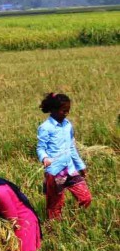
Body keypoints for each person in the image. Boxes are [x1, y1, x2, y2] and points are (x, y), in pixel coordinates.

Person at [37, 92, 91, 220]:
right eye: (63, 111)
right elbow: (41, 147)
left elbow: (72, 147)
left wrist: (80, 165)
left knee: (85, 198)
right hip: (55, 171)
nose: (66, 113)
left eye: (68, 111)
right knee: (55, 205)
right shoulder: (45, 127)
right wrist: (45, 158)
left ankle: (77, 219)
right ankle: (55, 227)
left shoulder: (68, 125)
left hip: (71, 169)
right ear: (53, 110)